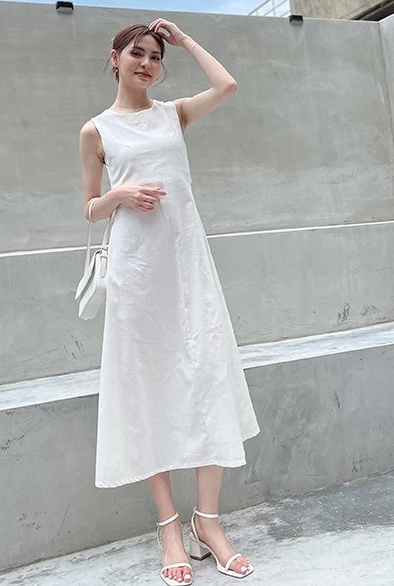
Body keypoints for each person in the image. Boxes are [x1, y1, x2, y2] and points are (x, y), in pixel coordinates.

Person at [79, 18, 260, 585]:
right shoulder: (96, 130)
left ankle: (209, 521)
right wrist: (120, 193)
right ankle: (170, 528)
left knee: (206, 376)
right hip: (137, 272)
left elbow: (227, 85)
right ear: (115, 58)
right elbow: (89, 208)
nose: (147, 63)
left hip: (187, 264)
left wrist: (185, 40)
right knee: (146, 389)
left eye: (156, 56)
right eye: (137, 53)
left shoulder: (173, 114)